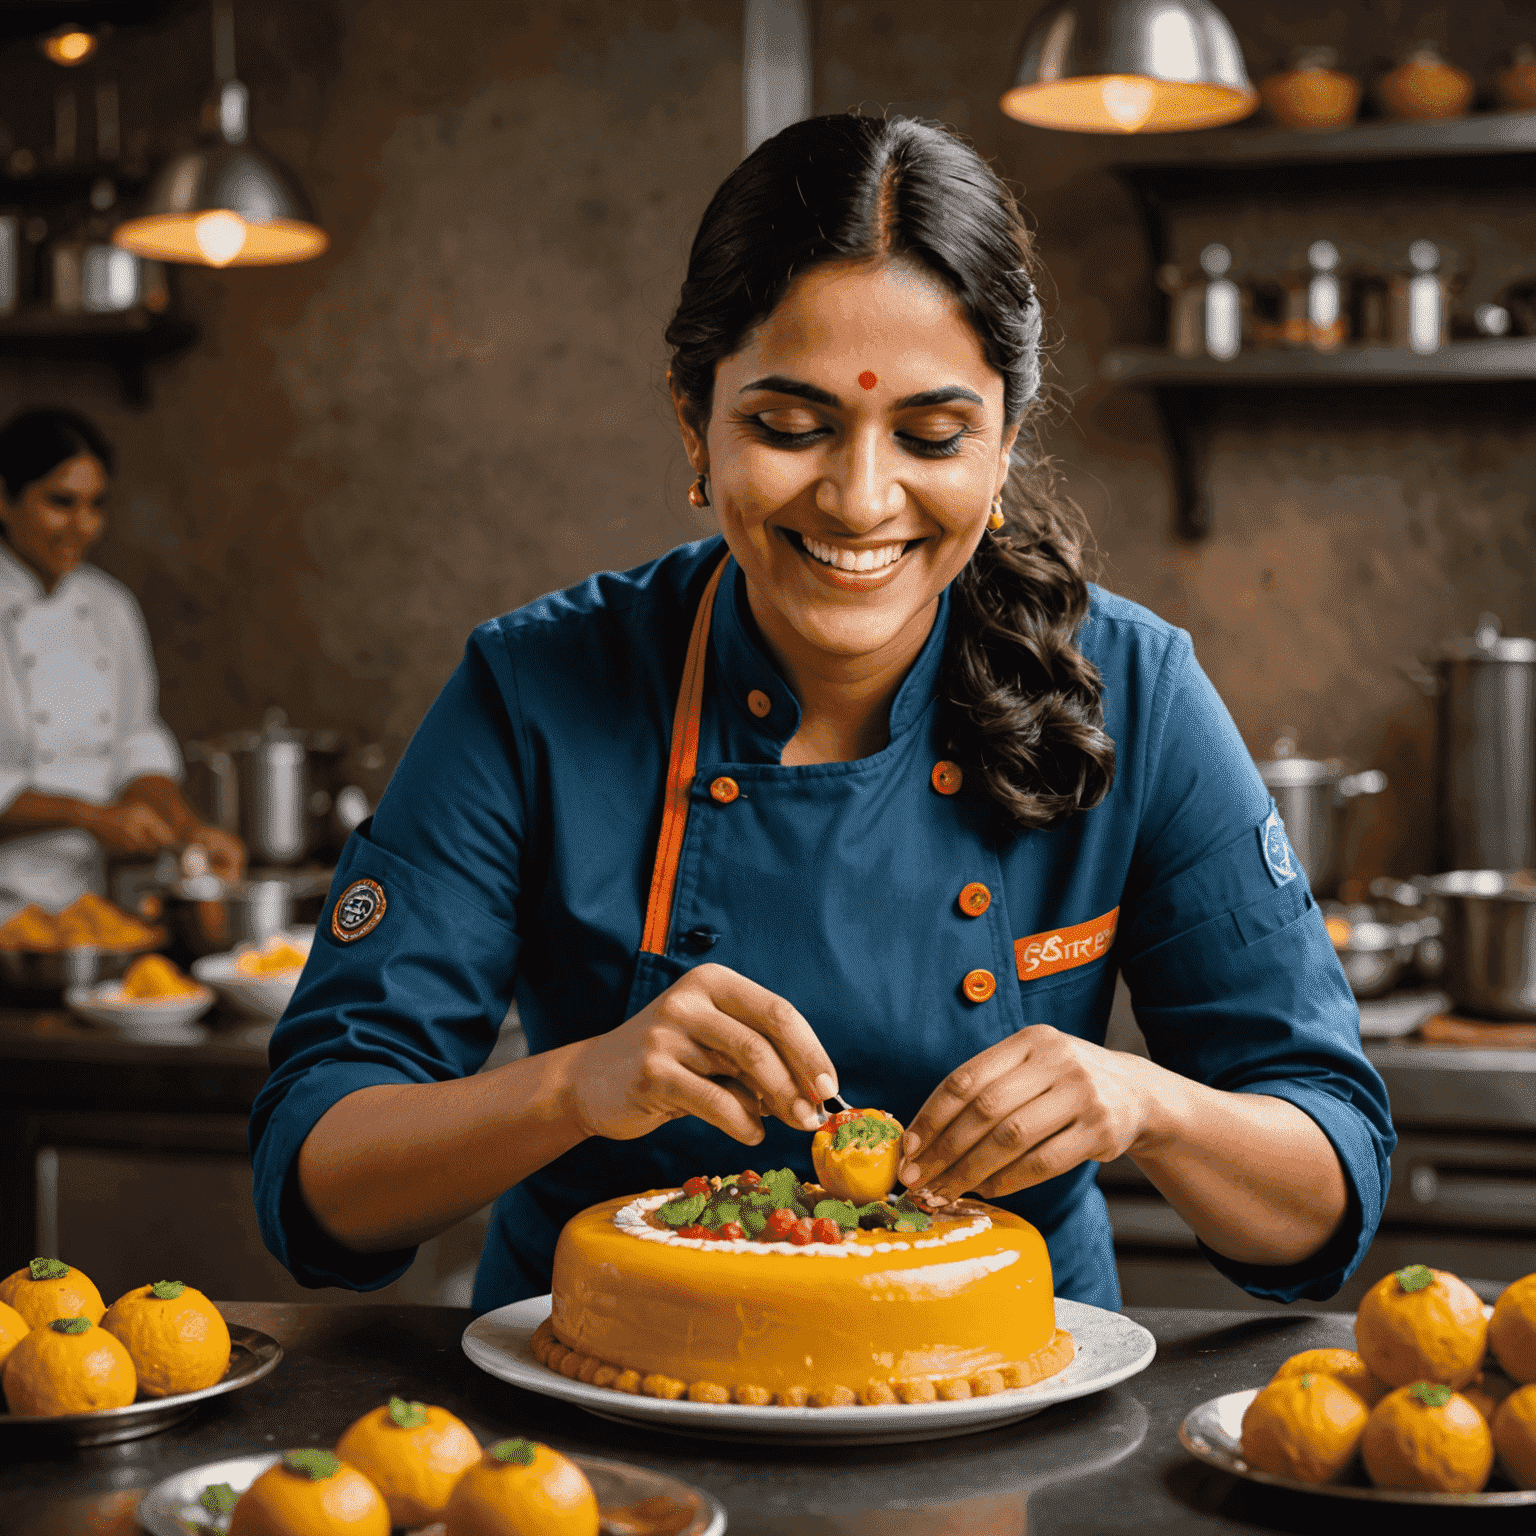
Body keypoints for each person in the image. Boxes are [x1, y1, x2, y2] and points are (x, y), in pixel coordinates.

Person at [252, 115, 1393, 1312]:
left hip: (1011, 1428)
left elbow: (1328, 1190)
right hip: (598, 1425)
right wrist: (575, 1088)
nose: (859, 498)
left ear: (1004, 443)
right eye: (789, 427)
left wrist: (1144, 1104)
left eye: (933, 434)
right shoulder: (535, 689)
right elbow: (314, 1178)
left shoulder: (1137, 690)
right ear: (695, 422)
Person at [0, 409, 244, 919]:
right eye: (60, 503)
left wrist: (189, 830)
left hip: (85, 907)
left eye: (96, 506)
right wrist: (91, 816)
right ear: (4, 498)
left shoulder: (110, 607)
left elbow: (137, 746)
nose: (83, 527)